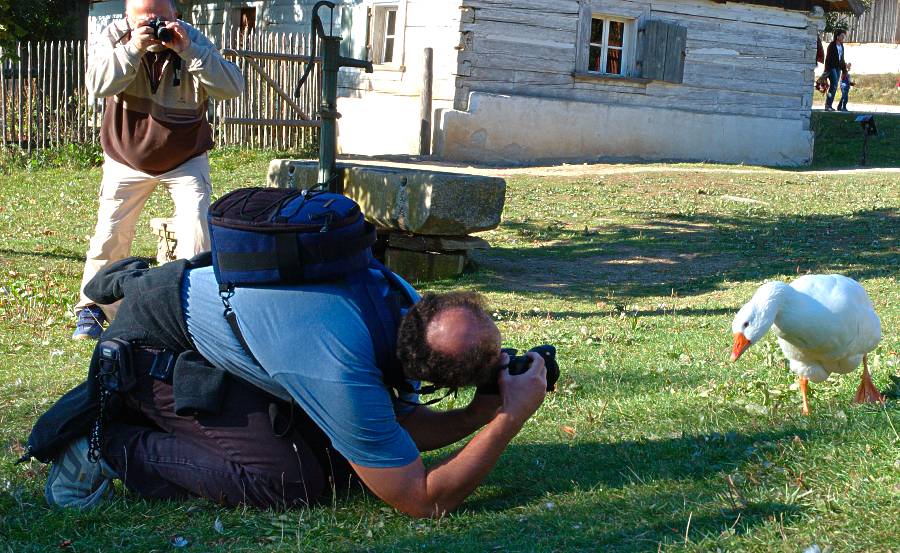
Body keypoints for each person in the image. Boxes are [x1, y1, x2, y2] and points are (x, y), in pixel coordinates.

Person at [43, 256, 549, 517]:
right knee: (288, 483)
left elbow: (397, 425)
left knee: (340, 464)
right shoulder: (341, 363)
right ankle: (110, 444)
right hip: (156, 344)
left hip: (230, 336)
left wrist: (477, 415)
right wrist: (508, 419)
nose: (498, 364)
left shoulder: (406, 308)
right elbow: (422, 501)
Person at [72, 0, 243, 340]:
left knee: (197, 227)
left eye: (160, 19)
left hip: (184, 156)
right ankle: (93, 307)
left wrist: (190, 51)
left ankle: (195, 309)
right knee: (111, 233)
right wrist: (135, 48)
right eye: (144, 21)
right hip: (126, 155)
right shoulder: (116, 37)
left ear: (175, 15)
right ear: (127, 19)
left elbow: (232, 88)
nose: (154, 27)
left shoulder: (192, 39)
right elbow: (97, 85)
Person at [824, 29, 847, 112]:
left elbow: (842, 59)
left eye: (844, 35)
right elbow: (828, 58)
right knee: (833, 85)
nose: (843, 37)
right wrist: (826, 70)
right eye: (842, 35)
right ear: (837, 36)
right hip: (831, 67)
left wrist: (844, 70)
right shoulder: (832, 45)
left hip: (838, 68)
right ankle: (828, 105)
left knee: (834, 86)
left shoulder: (841, 46)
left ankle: (829, 105)